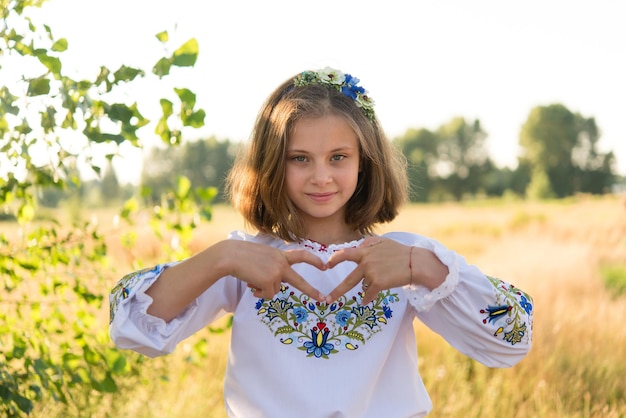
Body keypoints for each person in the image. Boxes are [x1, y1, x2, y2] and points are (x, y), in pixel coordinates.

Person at [109, 67, 534, 417]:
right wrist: (223, 257)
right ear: (273, 165)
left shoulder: (402, 257)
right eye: (300, 159)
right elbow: (129, 325)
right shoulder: (244, 260)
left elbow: (511, 337)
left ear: (365, 162)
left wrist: (421, 267)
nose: (321, 177)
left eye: (338, 157)